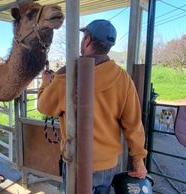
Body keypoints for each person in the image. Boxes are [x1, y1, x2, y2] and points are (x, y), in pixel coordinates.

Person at [37, 19, 148, 193]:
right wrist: (139, 160)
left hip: (76, 162)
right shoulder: (123, 79)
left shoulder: (67, 76)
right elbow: (133, 124)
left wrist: (45, 84)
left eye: (83, 37)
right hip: (108, 165)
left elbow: (44, 107)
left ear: (87, 40)